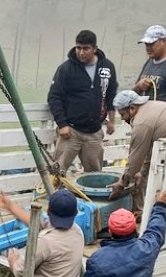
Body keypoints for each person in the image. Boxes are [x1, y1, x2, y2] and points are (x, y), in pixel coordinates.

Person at [47, 29, 118, 173]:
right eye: (78, 47)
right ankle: (53, 195)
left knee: (94, 174)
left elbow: (110, 93)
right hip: (70, 131)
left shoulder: (107, 67)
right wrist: (62, 124)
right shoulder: (66, 69)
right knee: (57, 171)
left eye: (86, 48)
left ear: (95, 49)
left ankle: (91, 196)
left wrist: (112, 120)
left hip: (94, 131)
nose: (81, 52)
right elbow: (54, 97)